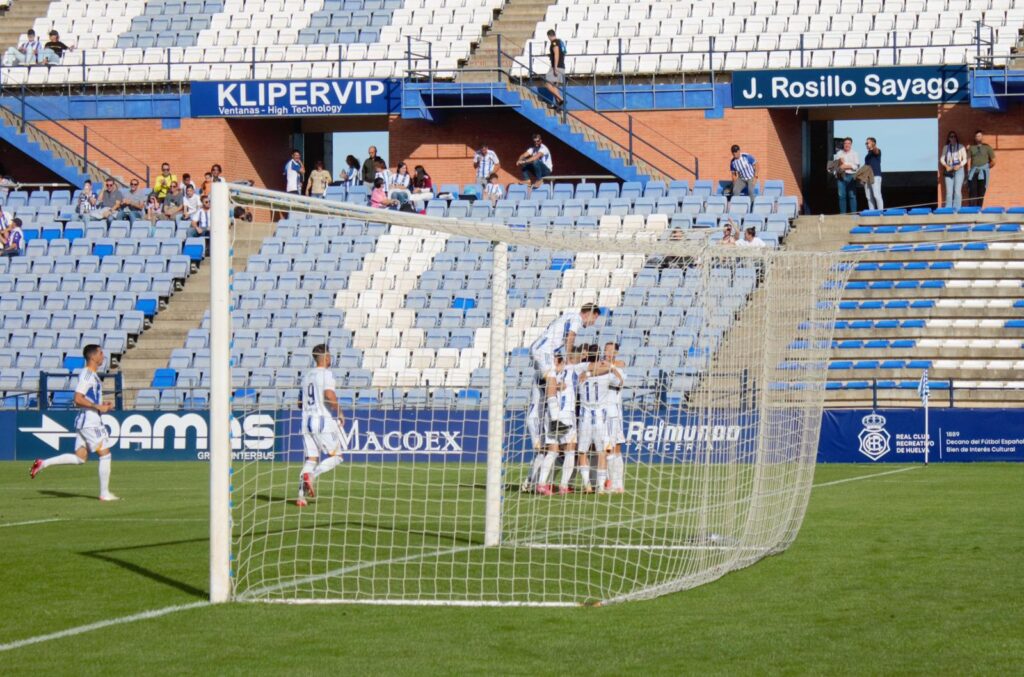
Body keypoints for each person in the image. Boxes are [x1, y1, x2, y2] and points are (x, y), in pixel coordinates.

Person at [29, 344, 118, 502]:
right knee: (105, 455)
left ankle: (43, 463)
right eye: (101, 353)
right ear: (93, 357)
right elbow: (77, 399)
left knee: (80, 458)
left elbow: (89, 399)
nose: (103, 356)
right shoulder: (87, 375)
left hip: (88, 419)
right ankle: (104, 493)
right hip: (90, 422)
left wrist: (103, 406)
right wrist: (97, 406)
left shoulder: (93, 375)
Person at [295, 344, 347, 507]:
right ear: (325, 357)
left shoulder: (306, 377)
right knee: (337, 456)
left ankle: (300, 497)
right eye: (329, 355)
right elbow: (329, 394)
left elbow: (299, 403)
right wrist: (339, 411)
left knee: (311, 459)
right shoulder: (326, 374)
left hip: (306, 421)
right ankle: (312, 476)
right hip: (321, 420)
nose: (331, 358)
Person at [574, 345, 624, 495]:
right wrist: (612, 368)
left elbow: (585, 369)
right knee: (602, 452)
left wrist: (589, 373)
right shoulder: (606, 375)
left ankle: (587, 485)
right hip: (601, 416)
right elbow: (620, 382)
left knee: (582, 451)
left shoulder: (579, 371)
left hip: (584, 416)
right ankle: (601, 487)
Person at [533, 353, 578, 496]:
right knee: (570, 451)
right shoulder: (573, 371)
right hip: (566, 416)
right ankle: (563, 486)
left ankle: (541, 484)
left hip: (550, 414)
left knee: (552, 451)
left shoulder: (549, 375)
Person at [601, 341, 627, 493]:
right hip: (604, 412)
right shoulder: (601, 367)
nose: (607, 352)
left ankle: (618, 483)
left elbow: (619, 382)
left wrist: (611, 366)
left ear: (615, 352)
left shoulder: (618, 369)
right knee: (608, 448)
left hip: (614, 413)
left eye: (610, 350)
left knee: (616, 448)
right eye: (606, 349)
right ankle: (611, 483)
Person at [968, 129, 996, 206]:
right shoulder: (971, 148)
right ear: (974, 138)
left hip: (983, 172)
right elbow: (968, 160)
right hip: (973, 172)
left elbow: (994, 161)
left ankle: (979, 210)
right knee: (972, 192)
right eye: (977, 136)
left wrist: (986, 167)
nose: (978, 137)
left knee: (981, 192)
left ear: (982, 137)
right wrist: (968, 171)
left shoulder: (987, 147)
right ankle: (971, 211)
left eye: (979, 136)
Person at [940, 131, 967, 209]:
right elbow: (942, 159)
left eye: (954, 136)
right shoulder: (946, 147)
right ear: (949, 138)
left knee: (957, 191)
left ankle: (957, 209)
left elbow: (965, 159)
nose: (953, 138)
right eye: (951, 136)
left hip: (959, 169)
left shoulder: (961, 146)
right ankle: (948, 209)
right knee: (949, 192)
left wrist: (960, 165)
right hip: (949, 169)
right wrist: (946, 165)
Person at [833, 137, 860, 214]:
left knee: (852, 196)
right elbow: (835, 166)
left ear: (851, 144)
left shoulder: (855, 153)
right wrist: (848, 166)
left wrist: (845, 165)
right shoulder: (838, 154)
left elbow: (856, 166)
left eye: (849, 143)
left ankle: (854, 215)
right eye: (845, 143)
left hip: (851, 176)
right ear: (843, 144)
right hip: (841, 176)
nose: (847, 145)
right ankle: (843, 215)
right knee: (841, 196)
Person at [542, 29, 566, 110]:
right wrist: (550, 55)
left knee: (547, 84)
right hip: (562, 66)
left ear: (549, 36)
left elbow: (557, 54)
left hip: (556, 66)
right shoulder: (560, 42)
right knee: (555, 86)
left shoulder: (554, 43)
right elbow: (562, 53)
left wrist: (555, 67)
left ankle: (561, 99)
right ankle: (558, 104)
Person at [863, 137, 884, 211]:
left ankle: (880, 212)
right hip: (868, 177)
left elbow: (876, 151)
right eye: (866, 143)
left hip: (875, 175)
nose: (866, 144)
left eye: (867, 143)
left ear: (873, 143)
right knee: (869, 196)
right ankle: (872, 212)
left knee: (876, 194)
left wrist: (873, 146)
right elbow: (866, 167)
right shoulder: (867, 154)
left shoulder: (876, 151)